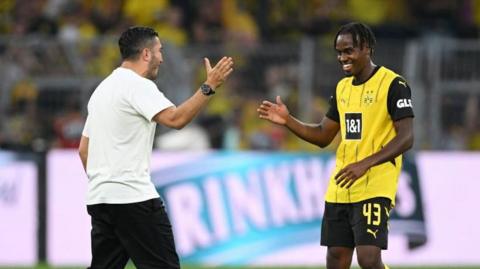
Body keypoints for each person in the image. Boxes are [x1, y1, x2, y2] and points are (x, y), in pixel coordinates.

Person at [257, 22, 414, 269]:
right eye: (339, 52)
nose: (343, 58)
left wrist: (365, 164)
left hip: (375, 185)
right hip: (341, 185)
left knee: (368, 258)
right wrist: (288, 120)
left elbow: (406, 137)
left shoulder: (393, 84)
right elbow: (322, 135)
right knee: (336, 259)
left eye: (348, 51)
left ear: (367, 48)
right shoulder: (342, 88)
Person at [78, 26, 233, 269]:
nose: (162, 57)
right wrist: (209, 86)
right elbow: (175, 119)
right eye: (159, 51)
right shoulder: (137, 86)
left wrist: (106, 182)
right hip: (133, 199)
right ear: (146, 54)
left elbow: (84, 150)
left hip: (101, 200)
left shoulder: (102, 90)